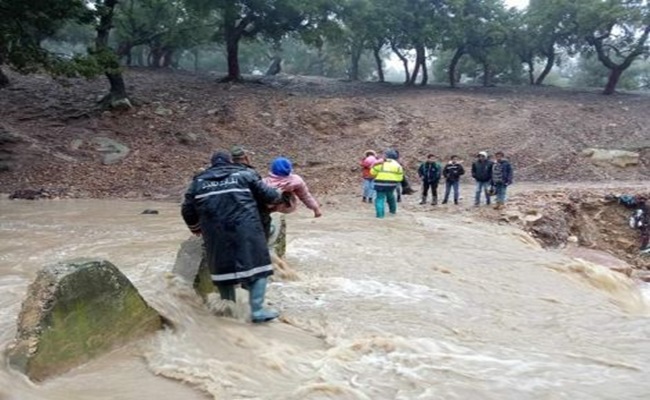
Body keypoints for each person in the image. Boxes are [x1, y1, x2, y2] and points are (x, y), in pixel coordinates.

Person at [181, 150, 282, 323]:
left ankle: (229, 312)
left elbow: (187, 210)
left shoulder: (198, 183)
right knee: (259, 269)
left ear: (212, 164)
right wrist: (278, 193)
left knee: (223, 273)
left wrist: (195, 227)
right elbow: (270, 196)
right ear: (229, 161)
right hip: (247, 229)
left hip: (216, 234)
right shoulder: (245, 174)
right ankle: (257, 311)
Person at [370, 149, 404, 218]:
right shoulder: (398, 165)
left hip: (380, 184)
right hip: (392, 185)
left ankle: (380, 215)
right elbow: (400, 178)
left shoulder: (381, 164)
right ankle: (393, 211)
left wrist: (373, 165)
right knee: (391, 197)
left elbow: (372, 172)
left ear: (386, 156)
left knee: (380, 198)